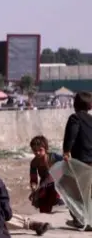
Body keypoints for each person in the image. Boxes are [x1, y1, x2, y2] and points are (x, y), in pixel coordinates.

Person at [63, 91, 92, 229]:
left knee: (72, 191)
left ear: (75, 104)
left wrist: (66, 151)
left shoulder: (75, 118)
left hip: (81, 162)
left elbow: (71, 136)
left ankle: (80, 220)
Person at [28, 135, 63, 213]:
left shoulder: (54, 157)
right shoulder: (34, 163)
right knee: (43, 203)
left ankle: (59, 201)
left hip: (56, 182)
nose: (37, 153)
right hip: (44, 184)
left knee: (55, 194)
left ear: (46, 148)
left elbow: (65, 164)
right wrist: (33, 187)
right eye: (34, 150)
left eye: (40, 150)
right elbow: (33, 178)